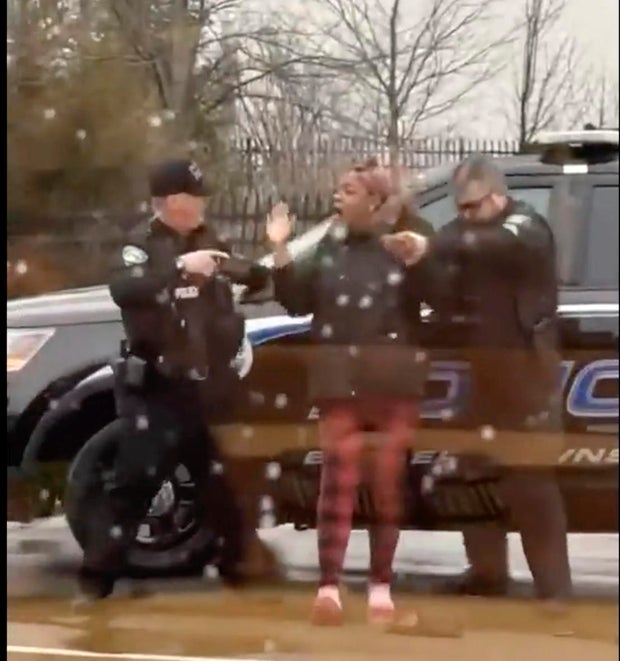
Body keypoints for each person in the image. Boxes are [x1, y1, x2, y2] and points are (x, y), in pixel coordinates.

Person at [77, 158, 273, 600]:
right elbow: (125, 290)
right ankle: (96, 578)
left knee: (223, 482)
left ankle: (238, 567)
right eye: (193, 197)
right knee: (135, 484)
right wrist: (182, 268)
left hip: (211, 386)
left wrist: (255, 272)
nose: (201, 205)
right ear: (170, 201)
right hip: (160, 388)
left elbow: (244, 279)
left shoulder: (210, 240)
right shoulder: (142, 245)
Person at [382, 154, 572, 603]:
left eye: (473, 207)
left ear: (499, 196)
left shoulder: (525, 228)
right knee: (470, 477)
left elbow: (484, 245)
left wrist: (435, 246)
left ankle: (556, 593)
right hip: (485, 377)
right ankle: (488, 573)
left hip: (528, 379)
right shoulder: (465, 236)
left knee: (532, 487)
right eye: (460, 209)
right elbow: (441, 279)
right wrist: (415, 254)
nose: (465, 217)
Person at [266, 159, 431, 626]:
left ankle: (381, 587)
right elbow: (297, 300)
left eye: (349, 191)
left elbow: (441, 289)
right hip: (339, 383)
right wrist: (279, 250)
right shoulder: (329, 246)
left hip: (393, 385)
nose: (338, 197)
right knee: (336, 485)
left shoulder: (403, 243)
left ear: (376, 202)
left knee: (385, 486)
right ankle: (329, 588)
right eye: (338, 190)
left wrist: (420, 257)